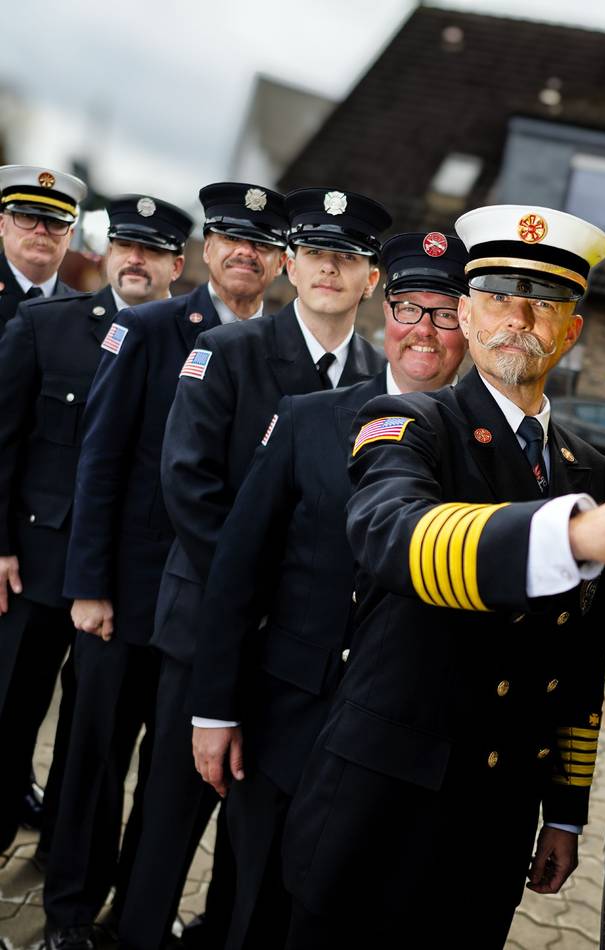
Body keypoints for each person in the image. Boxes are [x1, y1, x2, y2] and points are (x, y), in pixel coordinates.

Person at [281, 205, 605, 949]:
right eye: (499, 297)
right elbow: (393, 535)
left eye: (546, 304)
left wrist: (565, 810)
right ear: (466, 316)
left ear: (571, 331)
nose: (520, 319)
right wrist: (577, 534)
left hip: (494, 825)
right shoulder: (409, 424)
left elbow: (576, 661)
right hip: (380, 810)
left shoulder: (591, 472)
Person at [116, 187, 388, 950]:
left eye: (350, 259)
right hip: (210, 622)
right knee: (171, 812)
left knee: (259, 830)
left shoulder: (376, 376)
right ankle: (136, 934)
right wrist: (258, 594)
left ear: (371, 282)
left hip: (299, 659)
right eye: (315, 254)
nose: (330, 269)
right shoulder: (229, 351)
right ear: (290, 268)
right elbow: (188, 484)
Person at [189, 230, 468, 948]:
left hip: (396, 749)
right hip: (285, 723)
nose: (423, 332)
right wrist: (214, 709)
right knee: (246, 909)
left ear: (467, 325)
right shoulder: (311, 418)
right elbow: (237, 573)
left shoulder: (482, 450)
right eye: (409, 309)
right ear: (385, 312)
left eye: (444, 314)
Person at [44, 183, 286, 950]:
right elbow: (101, 457)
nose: (244, 252)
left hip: (208, 620)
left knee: (170, 780)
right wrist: (88, 585)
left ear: (278, 261)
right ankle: (69, 914)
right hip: (126, 597)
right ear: (207, 252)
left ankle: (132, 910)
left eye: (260, 242)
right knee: (94, 760)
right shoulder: (148, 329)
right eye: (230, 238)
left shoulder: (283, 348)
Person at [0, 195, 190, 872]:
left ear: (177, 263)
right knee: (13, 705)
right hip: (41, 562)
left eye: (154, 251)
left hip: (130, 583)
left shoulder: (200, 348)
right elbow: (5, 445)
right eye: (126, 246)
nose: (136, 261)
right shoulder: (46, 328)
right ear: (108, 253)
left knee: (91, 730)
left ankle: (61, 846)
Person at [0, 164, 86, 329]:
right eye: (27, 216)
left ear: (70, 236)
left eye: (55, 222)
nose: (41, 230)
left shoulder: (82, 314)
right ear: (2, 224)